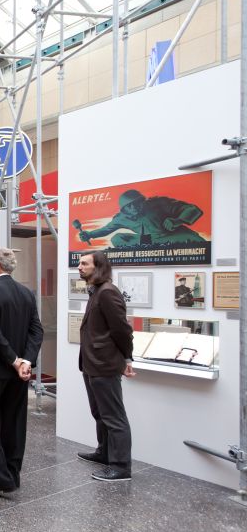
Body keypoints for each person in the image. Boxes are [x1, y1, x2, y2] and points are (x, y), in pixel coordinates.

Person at [0, 248, 43, 496]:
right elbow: (36, 331)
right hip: (17, 372)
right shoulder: (26, 293)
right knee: (14, 422)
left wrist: (14, 360)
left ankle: (1, 477)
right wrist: (26, 360)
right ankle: (13, 474)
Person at [77, 251, 135, 482]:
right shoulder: (97, 291)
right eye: (79, 263)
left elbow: (122, 330)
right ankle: (104, 453)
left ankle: (121, 467)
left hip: (105, 364)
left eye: (84, 264)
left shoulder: (108, 292)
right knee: (99, 412)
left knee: (114, 417)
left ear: (98, 266)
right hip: (92, 363)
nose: (79, 267)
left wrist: (127, 359)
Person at [76, 188, 205, 247]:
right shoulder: (121, 218)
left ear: (142, 201)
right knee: (117, 238)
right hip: (148, 241)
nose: (133, 208)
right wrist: (89, 234)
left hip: (174, 234)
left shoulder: (158, 204)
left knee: (197, 241)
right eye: (129, 206)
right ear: (124, 209)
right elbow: (107, 229)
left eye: (136, 203)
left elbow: (192, 209)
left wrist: (178, 220)